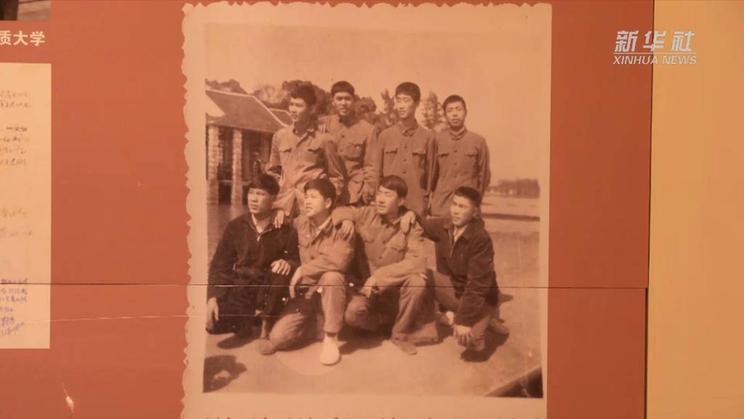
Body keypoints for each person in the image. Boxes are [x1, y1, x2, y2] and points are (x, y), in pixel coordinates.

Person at [334, 175, 439, 355]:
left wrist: (379, 277)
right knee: (352, 315)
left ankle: (400, 333)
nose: (381, 199)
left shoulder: (411, 225)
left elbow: (417, 260)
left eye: (388, 195)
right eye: (379, 193)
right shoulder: (367, 214)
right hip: (366, 291)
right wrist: (347, 220)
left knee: (417, 282)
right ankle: (384, 324)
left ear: (401, 201)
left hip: (393, 292)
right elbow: (340, 210)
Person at [258, 178, 354, 366]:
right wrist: (278, 211)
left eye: (313, 197)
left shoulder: (342, 227)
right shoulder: (300, 223)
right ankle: (318, 325)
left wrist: (304, 269)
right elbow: (278, 233)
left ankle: (330, 338)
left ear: (328, 202)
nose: (307, 201)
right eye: (306, 197)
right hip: (306, 294)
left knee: (332, 276)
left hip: (331, 291)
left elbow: (340, 260)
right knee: (278, 339)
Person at [417, 186, 508, 361]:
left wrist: (464, 321)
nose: (455, 211)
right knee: (422, 275)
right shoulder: (445, 226)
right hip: (457, 292)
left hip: (482, 299)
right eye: (454, 204)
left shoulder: (481, 239)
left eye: (462, 207)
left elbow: (478, 287)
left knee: (470, 340)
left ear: (475, 212)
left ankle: (487, 318)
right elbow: (422, 223)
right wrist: (408, 214)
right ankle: (439, 323)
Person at [206, 174, 299, 337]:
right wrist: (213, 297)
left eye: (261, 194)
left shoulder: (285, 229)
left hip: (268, 292)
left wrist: (288, 263)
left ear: (273, 198)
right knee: (214, 324)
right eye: (251, 193)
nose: (254, 199)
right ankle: (249, 318)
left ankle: (265, 319)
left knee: (281, 271)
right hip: (242, 290)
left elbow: (296, 258)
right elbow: (220, 265)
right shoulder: (236, 226)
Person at [266, 84, 346, 218]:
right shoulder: (280, 136)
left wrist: (324, 203)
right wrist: (278, 196)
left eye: (299, 106)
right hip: (283, 208)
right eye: (291, 104)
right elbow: (272, 172)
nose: (293, 110)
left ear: (311, 109)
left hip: (311, 209)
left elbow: (336, 178)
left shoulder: (325, 140)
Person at [376, 82, 436, 216]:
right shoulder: (385, 136)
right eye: (398, 100)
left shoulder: (428, 137)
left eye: (406, 100)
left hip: (415, 205)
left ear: (417, 103)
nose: (401, 105)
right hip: (389, 205)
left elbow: (430, 177)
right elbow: (377, 173)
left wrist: (424, 203)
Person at [319, 81, 379, 206]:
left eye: (347, 99)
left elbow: (371, 166)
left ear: (354, 100)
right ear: (333, 101)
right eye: (339, 99)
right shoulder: (322, 124)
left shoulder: (368, 130)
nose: (343, 103)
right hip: (326, 191)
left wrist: (368, 190)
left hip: (354, 193)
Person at [429, 95, 491, 217]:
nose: (454, 114)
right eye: (450, 111)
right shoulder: (437, 140)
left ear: (465, 112)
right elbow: (432, 175)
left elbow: (484, 177)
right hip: (442, 206)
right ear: (445, 115)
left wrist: (475, 203)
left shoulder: (478, 141)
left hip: (467, 207)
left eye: (458, 109)